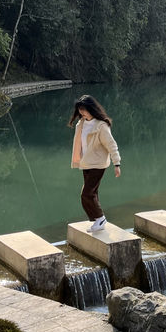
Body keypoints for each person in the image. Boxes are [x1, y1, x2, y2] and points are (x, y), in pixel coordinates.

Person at [69, 95, 121, 232]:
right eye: (80, 110)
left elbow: (111, 145)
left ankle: (100, 218)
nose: (82, 113)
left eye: (84, 110)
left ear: (91, 109)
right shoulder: (81, 124)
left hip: (98, 164)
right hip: (86, 163)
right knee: (92, 193)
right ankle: (97, 220)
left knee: (86, 194)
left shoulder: (101, 126)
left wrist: (117, 163)